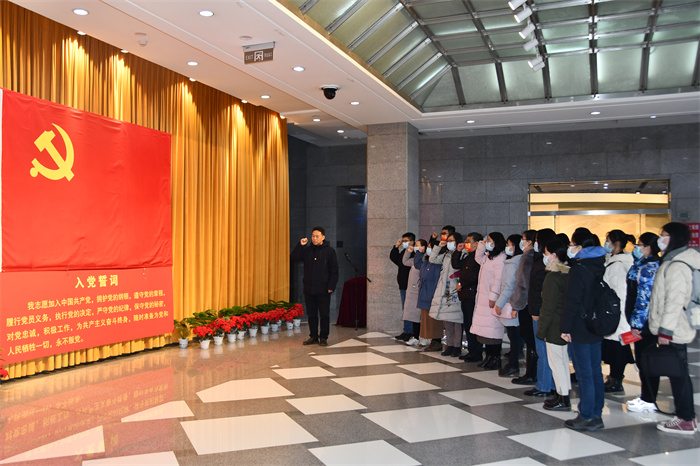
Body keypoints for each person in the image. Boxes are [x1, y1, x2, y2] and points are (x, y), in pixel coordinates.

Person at [649, 222, 699, 434]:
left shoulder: (677, 265)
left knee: (678, 375)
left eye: (664, 235)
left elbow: (674, 301)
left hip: (675, 327)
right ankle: (686, 417)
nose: (660, 239)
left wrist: (665, 331)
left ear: (675, 238)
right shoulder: (674, 260)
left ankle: (686, 418)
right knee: (679, 373)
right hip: (676, 325)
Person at [561, 229, 607, 431]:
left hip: (579, 326)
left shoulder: (579, 268)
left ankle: (587, 415)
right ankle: (596, 413)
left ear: (580, 247)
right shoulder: (600, 264)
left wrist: (565, 327)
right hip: (596, 324)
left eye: (572, 244)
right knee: (595, 371)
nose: (570, 248)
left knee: (584, 373)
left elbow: (571, 301)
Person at [624, 232, 660, 413]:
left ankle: (649, 398)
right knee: (642, 360)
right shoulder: (640, 264)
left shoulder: (650, 267)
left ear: (648, 247)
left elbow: (644, 299)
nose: (636, 248)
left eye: (639, 245)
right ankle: (646, 396)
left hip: (645, 324)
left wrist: (637, 324)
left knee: (647, 360)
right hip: (639, 322)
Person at [537, 239, 571, 411]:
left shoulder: (553, 277)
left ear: (554, 255)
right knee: (563, 361)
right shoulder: (568, 273)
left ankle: (563, 397)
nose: (545, 256)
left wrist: (541, 329)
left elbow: (548, 307)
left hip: (554, 326)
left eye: (546, 253)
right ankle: (563, 393)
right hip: (564, 323)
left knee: (557, 363)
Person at [291, 226, 339, 347]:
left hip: (324, 289)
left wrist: (331, 286)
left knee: (324, 315)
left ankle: (323, 337)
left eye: (317, 236)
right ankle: (313, 336)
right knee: (311, 315)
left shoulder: (330, 251)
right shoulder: (307, 250)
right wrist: (300, 245)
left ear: (323, 237)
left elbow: (334, 270)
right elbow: (294, 258)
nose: (314, 238)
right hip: (309, 288)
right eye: (313, 236)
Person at [601, 230, 635, 393]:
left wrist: (615, 313)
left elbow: (621, 292)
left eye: (608, 240)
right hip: (614, 313)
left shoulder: (620, 264)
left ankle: (617, 379)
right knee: (613, 347)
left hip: (618, 314)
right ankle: (613, 377)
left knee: (619, 348)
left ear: (616, 243)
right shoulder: (613, 261)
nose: (606, 243)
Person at [470, 232, 507, 370]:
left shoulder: (500, 257)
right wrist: (481, 244)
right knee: (485, 331)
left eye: (490, 241)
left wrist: (493, 297)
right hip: (482, 298)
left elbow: (498, 280)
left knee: (493, 330)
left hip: (492, 299)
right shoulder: (488, 256)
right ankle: (489, 357)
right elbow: (478, 258)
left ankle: (495, 357)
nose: (488, 243)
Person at [430, 232, 464, 357]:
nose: (449, 243)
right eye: (448, 241)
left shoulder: (462, 254)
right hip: (444, 290)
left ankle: (457, 346)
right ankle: (449, 345)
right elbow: (432, 259)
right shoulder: (446, 254)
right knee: (447, 320)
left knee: (456, 320)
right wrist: (438, 246)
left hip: (455, 290)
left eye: (451, 241)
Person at [495, 234, 524, 376]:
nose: (507, 247)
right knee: (516, 336)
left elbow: (508, 286)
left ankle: (513, 364)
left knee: (514, 336)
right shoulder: (518, 261)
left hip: (512, 303)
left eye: (509, 244)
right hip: (516, 303)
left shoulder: (513, 263)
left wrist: (499, 303)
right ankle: (514, 362)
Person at [453, 232, 483, 362]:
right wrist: (458, 251)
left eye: (468, 241)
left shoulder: (479, 258)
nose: (466, 243)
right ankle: (471, 351)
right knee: (468, 323)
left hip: (472, 294)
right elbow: (456, 264)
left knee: (472, 324)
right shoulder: (469, 256)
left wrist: (462, 283)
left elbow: (475, 276)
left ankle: (476, 352)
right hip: (465, 295)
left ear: (477, 243)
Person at [415, 233, 444, 351]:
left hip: (432, 293)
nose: (428, 249)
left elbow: (437, 280)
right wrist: (419, 253)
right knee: (426, 319)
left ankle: (437, 341)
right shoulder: (425, 261)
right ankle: (431, 340)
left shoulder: (437, 264)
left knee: (434, 320)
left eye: (430, 247)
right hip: (424, 293)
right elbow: (417, 264)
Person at [390, 232, 416, 341]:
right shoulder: (404, 252)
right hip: (402, 285)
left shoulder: (414, 253)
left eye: (406, 241)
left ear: (412, 242)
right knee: (405, 309)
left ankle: (411, 332)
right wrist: (396, 247)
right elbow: (394, 258)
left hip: (410, 286)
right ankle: (406, 331)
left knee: (410, 310)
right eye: (403, 241)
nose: (404, 243)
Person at [403, 239, 427, 345]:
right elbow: (405, 261)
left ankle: (423, 337)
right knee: (413, 315)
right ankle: (416, 336)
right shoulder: (415, 259)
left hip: (419, 291)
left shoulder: (424, 259)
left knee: (420, 315)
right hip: (412, 291)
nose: (416, 247)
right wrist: (408, 251)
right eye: (416, 245)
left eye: (418, 245)